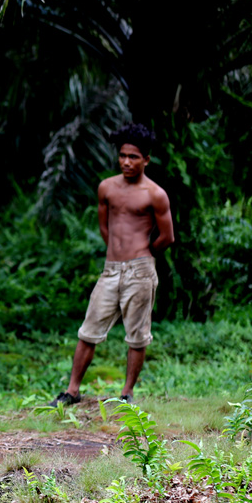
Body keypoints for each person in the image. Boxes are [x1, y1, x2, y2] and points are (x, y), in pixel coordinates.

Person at [48, 124, 175, 407]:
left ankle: (126, 394)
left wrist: (143, 253)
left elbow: (167, 236)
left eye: (134, 157)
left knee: (137, 336)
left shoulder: (155, 194)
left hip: (140, 270)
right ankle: (72, 392)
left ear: (146, 160)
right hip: (111, 269)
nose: (127, 162)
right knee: (88, 330)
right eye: (122, 156)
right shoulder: (107, 187)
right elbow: (105, 226)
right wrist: (116, 254)